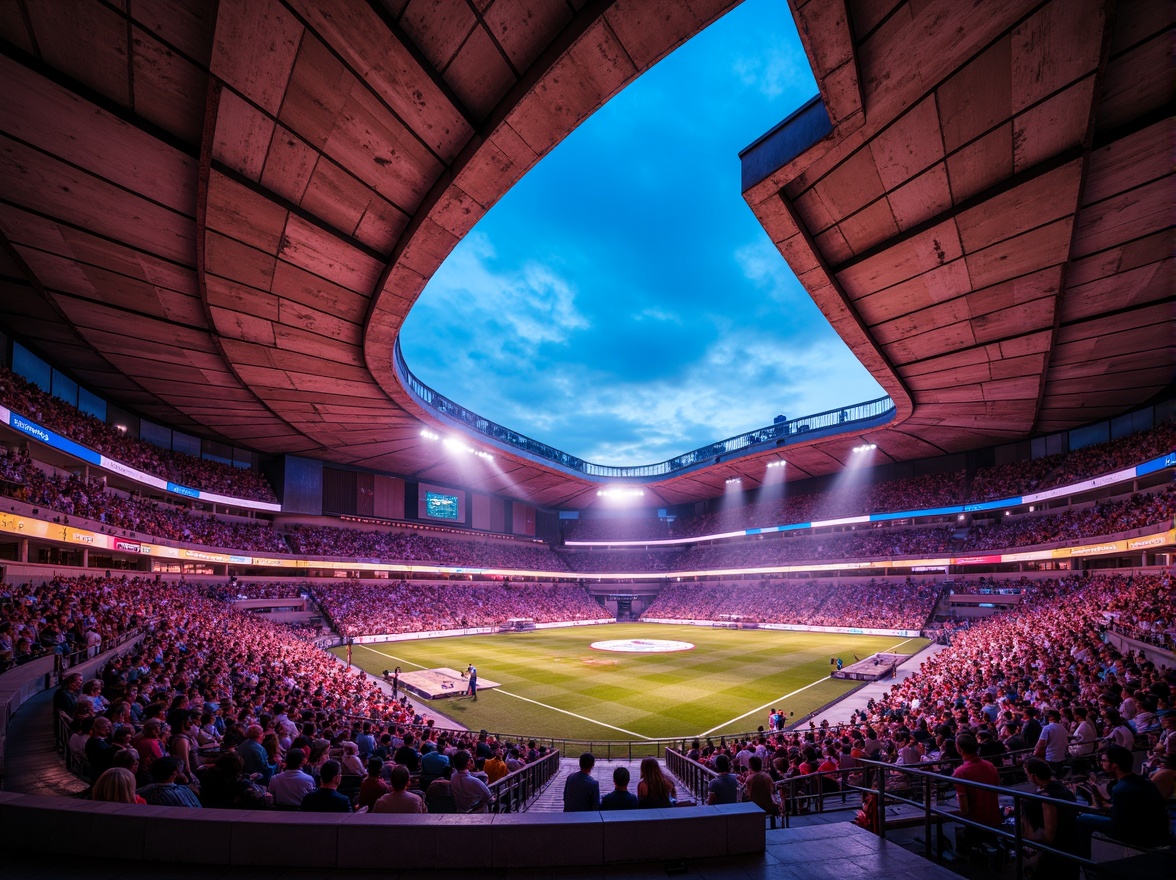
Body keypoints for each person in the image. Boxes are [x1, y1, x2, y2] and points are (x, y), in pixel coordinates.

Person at [1077, 745, 1168, 848]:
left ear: (1115, 765)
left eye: (1104, 761)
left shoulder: (1121, 789)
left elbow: (1119, 826)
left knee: (1082, 818)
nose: (1102, 764)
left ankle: (1083, 857)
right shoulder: (1145, 783)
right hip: (1158, 833)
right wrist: (1094, 790)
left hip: (1140, 836)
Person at [1021, 757, 1079, 879]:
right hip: (1072, 844)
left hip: (1054, 851)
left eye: (1027, 774)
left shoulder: (1036, 799)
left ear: (1033, 776)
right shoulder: (1063, 788)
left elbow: (1046, 836)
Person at [951, 733, 1001, 851]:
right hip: (994, 818)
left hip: (976, 821)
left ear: (959, 749)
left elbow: (964, 808)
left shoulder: (960, 772)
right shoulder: (990, 766)